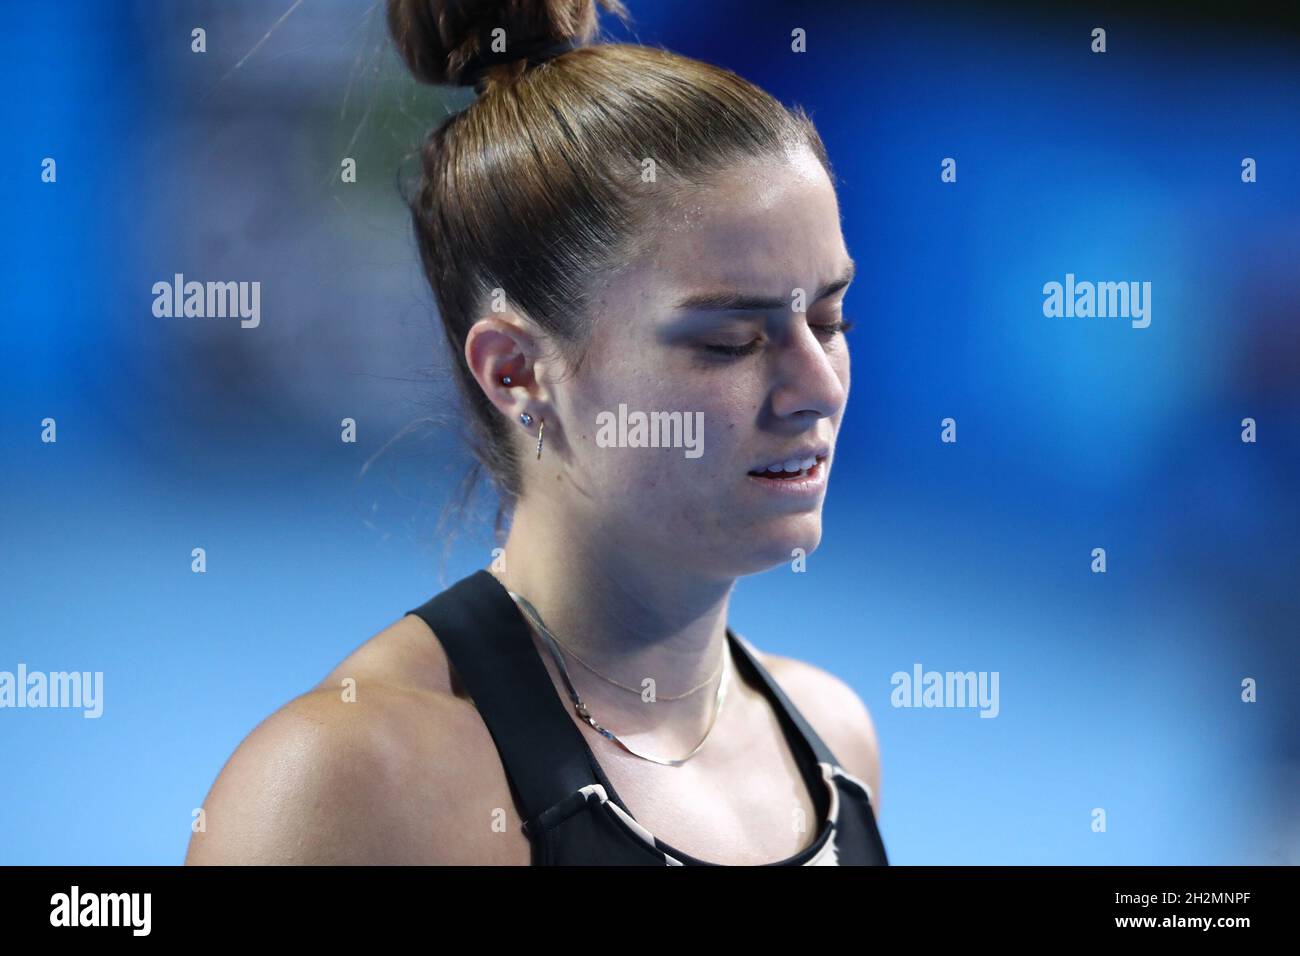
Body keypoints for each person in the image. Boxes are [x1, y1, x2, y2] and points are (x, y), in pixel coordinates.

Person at [185, 0, 887, 866]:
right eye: (728, 342)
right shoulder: (349, 785)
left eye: (829, 320)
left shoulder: (835, 746)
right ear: (516, 371)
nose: (816, 388)